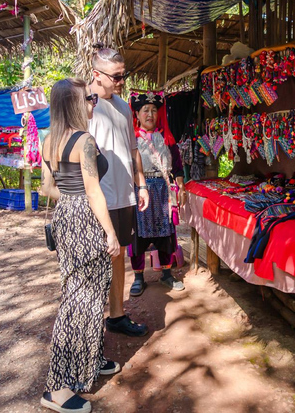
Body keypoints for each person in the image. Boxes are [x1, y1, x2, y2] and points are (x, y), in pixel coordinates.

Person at [40, 78, 122, 413]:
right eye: (88, 97)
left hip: (66, 217)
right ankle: (55, 388)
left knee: (86, 294)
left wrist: (70, 207)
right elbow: (93, 192)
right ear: (74, 104)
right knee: (78, 300)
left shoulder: (49, 140)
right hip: (86, 219)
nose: (94, 101)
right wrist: (111, 233)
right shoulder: (84, 141)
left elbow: (49, 188)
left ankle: (91, 357)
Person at [88, 45, 150, 337]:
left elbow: (133, 149)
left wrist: (141, 183)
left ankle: (117, 315)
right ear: (96, 75)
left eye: (124, 75)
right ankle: (88, 322)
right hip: (96, 195)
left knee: (118, 255)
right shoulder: (83, 105)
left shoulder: (124, 106)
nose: (121, 81)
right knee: (92, 257)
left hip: (124, 194)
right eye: (116, 76)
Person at [128, 91, 187, 294]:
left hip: (163, 192)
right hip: (140, 192)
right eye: (145, 110)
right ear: (137, 115)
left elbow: (178, 167)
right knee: (138, 237)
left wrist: (181, 186)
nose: (150, 114)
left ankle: (167, 274)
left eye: (154, 110)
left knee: (167, 234)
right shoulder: (131, 141)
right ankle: (138, 278)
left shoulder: (167, 139)